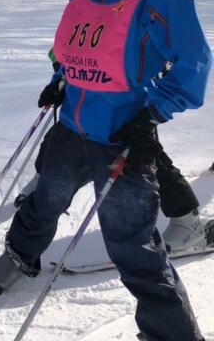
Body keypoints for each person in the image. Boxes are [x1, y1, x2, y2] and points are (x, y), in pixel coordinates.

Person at [0, 0, 211, 341]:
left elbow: (194, 66)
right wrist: (61, 78)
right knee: (43, 201)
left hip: (121, 137)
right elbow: (71, 50)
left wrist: (152, 114)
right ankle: (19, 255)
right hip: (70, 129)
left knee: (133, 246)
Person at [18, 49, 213, 254]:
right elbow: (66, 46)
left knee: (141, 156)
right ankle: (43, 181)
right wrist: (61, 73)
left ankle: (187, 219)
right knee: (64, 135)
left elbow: (188, 56)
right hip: (89, 90)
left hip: (128, 94)